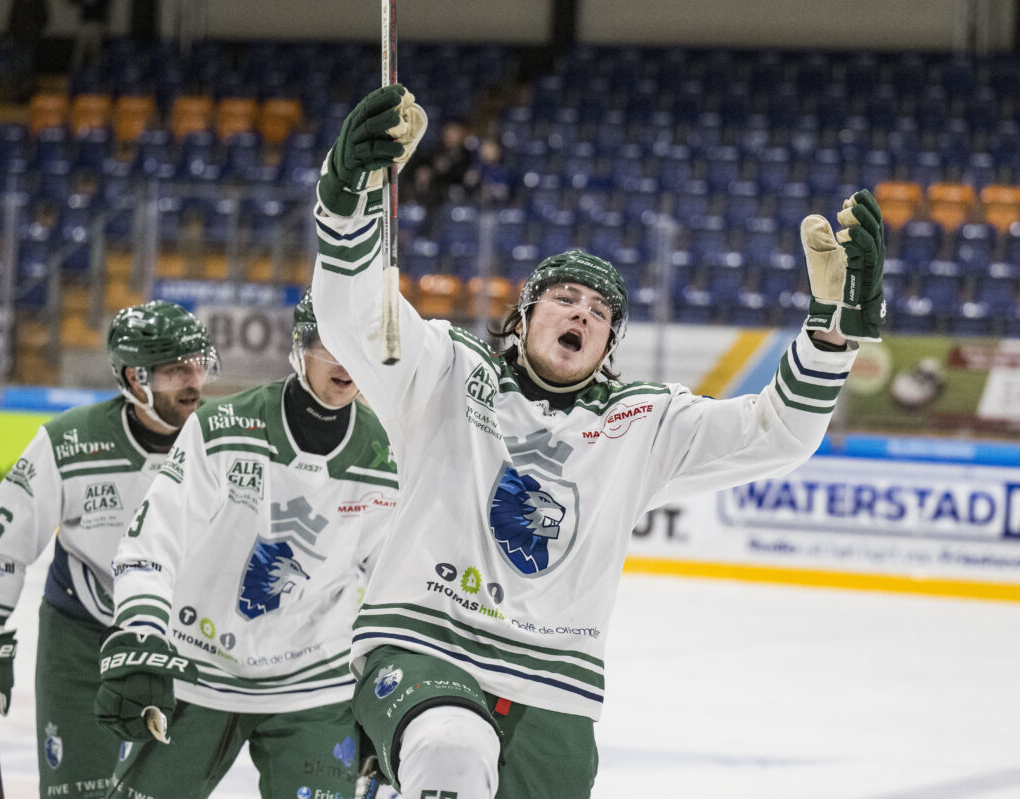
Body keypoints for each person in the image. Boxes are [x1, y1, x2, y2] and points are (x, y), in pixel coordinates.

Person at [310, 85, 884, 798]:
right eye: (564, 299)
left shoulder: (642, 422)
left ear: (609, 343)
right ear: (521, 319)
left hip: (556, 684)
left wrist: (830, 340)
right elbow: (353, 314)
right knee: (451, 746)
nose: (583, 311)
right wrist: (348, 198)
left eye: (601, 310)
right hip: (429, 643)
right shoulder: (448, 370)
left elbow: (777, 434)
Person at [93, 290, 399, 799]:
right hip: (197, 668)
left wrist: (383, 689)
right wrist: (143, 632)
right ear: (298, 348)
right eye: (331, 344)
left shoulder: (386, 457)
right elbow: (150, 545)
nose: (347, 362)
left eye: (359, 345)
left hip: (313, 682)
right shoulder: (221, 429)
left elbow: (393, 584)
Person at [0, 300, 217, 799]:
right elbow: (5, 541)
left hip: (180, 642)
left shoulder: (221, 443)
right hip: (79, 639)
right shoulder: (69, 442)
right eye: (175, 371)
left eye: (198, 366)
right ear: (135, 379)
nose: (194, 383)